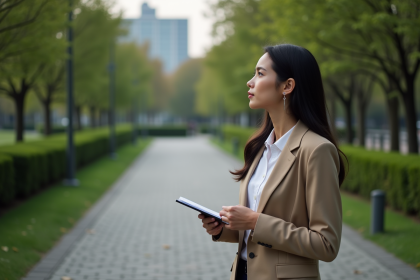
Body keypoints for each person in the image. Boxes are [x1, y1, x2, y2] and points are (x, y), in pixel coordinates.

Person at [198, 44, 347, 280]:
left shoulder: (317, 150)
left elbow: (326, 244)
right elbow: (256, 235)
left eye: (260, 73)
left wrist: (255, 221)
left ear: (287, 86)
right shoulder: (261, 147)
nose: (250, 82)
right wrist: (225, 229)